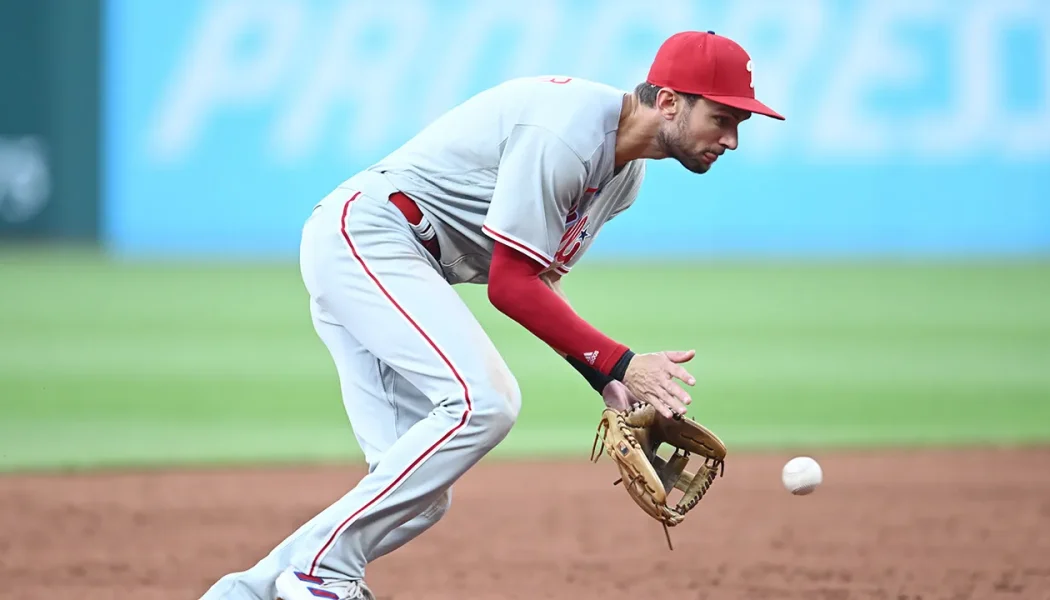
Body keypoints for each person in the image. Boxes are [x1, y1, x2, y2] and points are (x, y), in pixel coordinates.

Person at [199, 30, 784, 600]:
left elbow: (539, 281)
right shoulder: (568, 131)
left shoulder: (625, 178)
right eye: (723, 118)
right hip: (368, 238)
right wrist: (625, 362)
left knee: (416, 495)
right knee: (486, 402)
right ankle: (320, 574)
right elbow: (508, 285)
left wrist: (605, 379)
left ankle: (249, 592)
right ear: (670, 102)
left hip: (394, 263)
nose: (731, 139)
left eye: (739, 124)